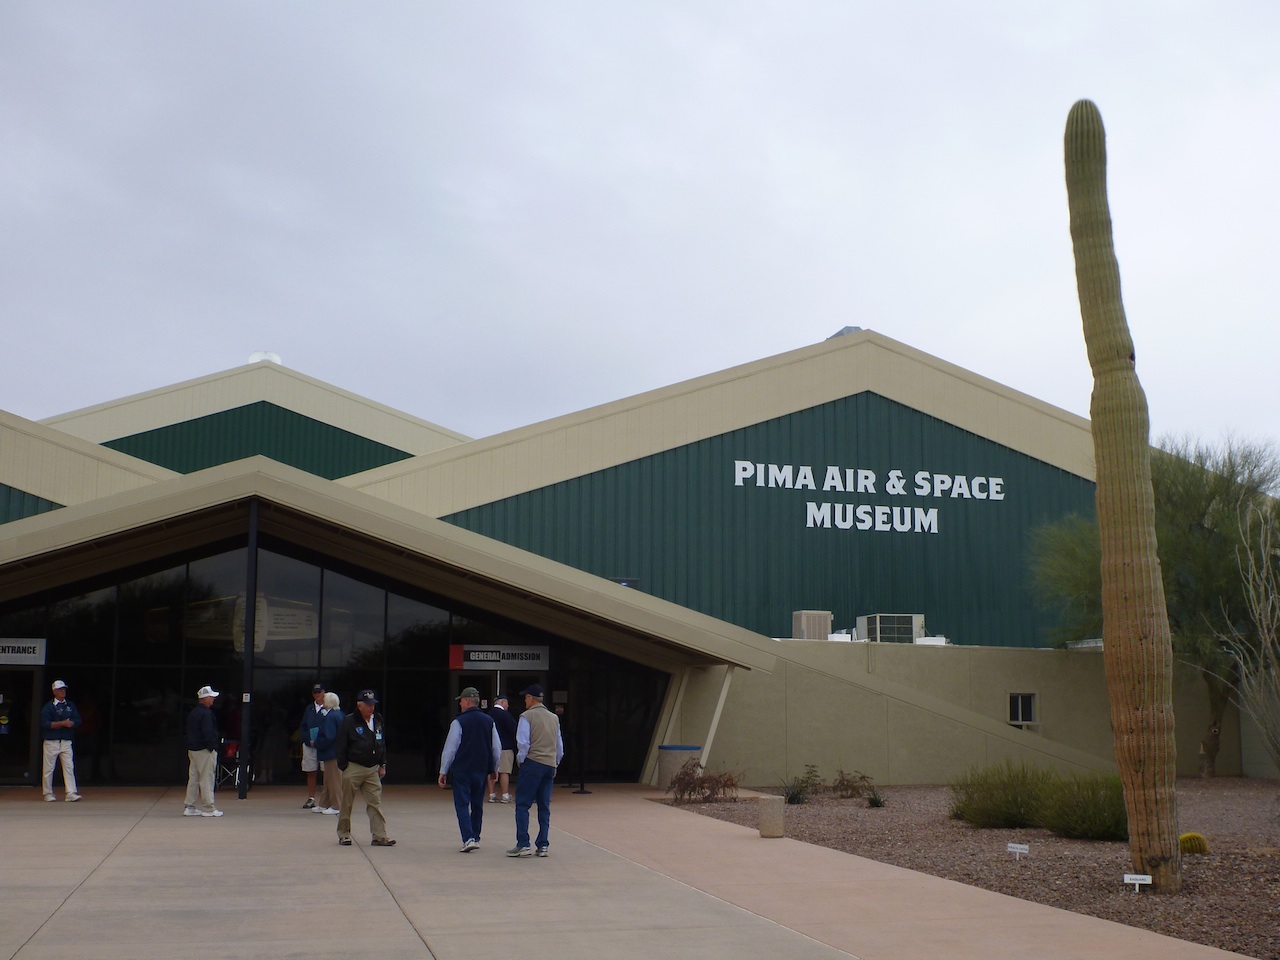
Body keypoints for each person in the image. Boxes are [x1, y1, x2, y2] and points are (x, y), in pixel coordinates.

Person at [439, 686, 501, 852]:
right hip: (481, 769)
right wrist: (494, 768)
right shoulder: (489, 721)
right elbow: (496, 747)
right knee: (477, 804)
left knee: (462, 804)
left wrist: (443, 770)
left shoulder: (459, 722)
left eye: (461, 701)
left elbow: (451, 748)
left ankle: (468, 838)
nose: (460, 705)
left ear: (466, 701)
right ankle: (476, 835)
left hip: (462, 769)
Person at [507, 684, 563, 858]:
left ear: (531, 698)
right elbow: (559, 745)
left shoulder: (527, 716)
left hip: (533, 763)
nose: (524, 700)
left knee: (522, 804)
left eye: (526, 697)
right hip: (549, 764)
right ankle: (543, 845)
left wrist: (521, 761)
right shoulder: (554, 718)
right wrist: (555, 762)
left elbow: (523, 742)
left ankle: (523, 844)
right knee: (544, 806)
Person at [334, 689, 395, 847]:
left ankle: (379, 836)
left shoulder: (378, 719)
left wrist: (382, 764)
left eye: (373, 705)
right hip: (353, 767)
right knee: (347, 803)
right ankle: (344, 834)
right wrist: (344, 767)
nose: (371, 708)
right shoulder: (348, 722)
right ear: (359, 705)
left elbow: (381, 743)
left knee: (375, 802)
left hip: (372, 768)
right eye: (368, 705)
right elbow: (340, 745)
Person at [183, 685, 223, 818]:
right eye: (211, 697)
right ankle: (208, 807)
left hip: (193, 749)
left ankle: (190, 806)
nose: (213, 699)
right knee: (207, 778)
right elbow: (208, 732)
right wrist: (212, 747)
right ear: (205, 699)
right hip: (204, 750)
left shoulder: (194, 712)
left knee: (194, 778)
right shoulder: (206, 713)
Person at [40, 679, 82, 802]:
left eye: (63, 689)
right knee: (48, 769)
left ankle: (71, 792)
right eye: (60, 689)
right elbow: (45, 723)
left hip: (66, 740)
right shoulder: (48, 707)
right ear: (54, 691)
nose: (62, 691)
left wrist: (71, 723)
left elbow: (78, 720)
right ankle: (48, 793)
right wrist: (63, 723)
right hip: (51, 741)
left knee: (69, 767)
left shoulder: (70, 705)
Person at [312, 691, 343, 815]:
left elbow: (329, 736)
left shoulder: (331, 717)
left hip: (332, 753)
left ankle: (337, 805)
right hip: (333, 752)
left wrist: (317, 743)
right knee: (328, 779)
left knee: (334, 780)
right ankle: (324, 803)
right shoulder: (338, 714)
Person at [299, 682, 326, 809]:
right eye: (315, 692)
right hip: (310, 745)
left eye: (319, 692)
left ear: (324, 692)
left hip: (324, 745)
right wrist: (308, 739)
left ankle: (327, 798)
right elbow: (303, 726)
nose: (317, 695)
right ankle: (311, 798)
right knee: (311, 771)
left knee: (327, 772)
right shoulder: (309, 709)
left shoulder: (329, 708)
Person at [488, 696, 518, 804]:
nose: (508, 706)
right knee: (504, 771)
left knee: (492, 771)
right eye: (507, 703)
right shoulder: (506, 715)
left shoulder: (488, 714)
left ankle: (492, 794)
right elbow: (513, 729)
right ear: (502, 702)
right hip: (505, 746)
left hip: (491, 747)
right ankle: (505, 795)